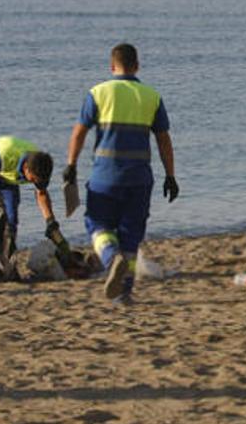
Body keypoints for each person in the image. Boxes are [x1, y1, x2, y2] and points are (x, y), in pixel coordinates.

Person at [64, 43, 178, 304]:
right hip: (139, 179)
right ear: (137, 66)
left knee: (97, 224)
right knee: (131, 234)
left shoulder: (98, 93)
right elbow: (164, 140)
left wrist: (71, 165)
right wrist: (170, 175)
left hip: (105, 177)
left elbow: (79, 132)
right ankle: (123, 295)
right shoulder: (151, 96)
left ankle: (108, 257)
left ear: (112, 66)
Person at [0, 136, 62, 254]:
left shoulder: (40, 166)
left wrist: (50, 221)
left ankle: (7, 254)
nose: (34, 182)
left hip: (7, 179)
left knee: (11, 219)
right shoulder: (2, 155)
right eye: (33, 179)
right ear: (26, 168)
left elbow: (41, 193)